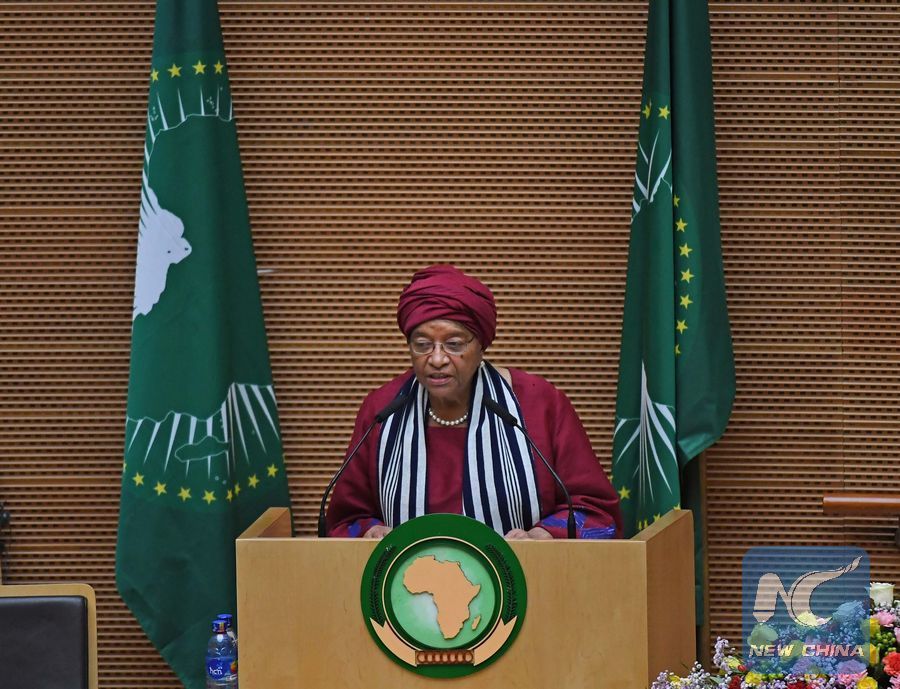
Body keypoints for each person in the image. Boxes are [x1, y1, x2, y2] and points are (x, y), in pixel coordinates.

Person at [326, 264, 622, 540]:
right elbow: (344, 520)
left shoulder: (539, 405)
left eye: (454, 344)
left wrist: (543, 535)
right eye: (422, 344)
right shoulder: (383, 410)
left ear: (481, 346)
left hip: (526, 575)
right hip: (406, 578)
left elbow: (597, 514)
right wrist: (371, 532)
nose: (437, 359)